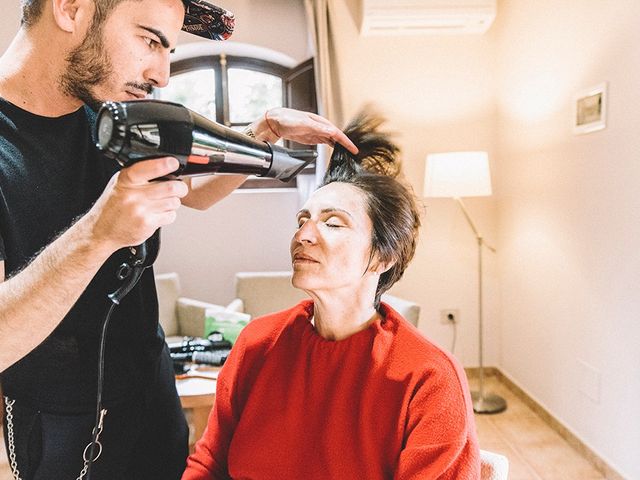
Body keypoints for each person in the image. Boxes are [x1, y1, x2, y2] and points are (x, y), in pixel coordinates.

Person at [0, 0, 357, 478]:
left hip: (152, 389)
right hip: (57, 422)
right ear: (70, 8)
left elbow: (194, 191)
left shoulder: (115, 109)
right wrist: (96, 237)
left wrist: (263, 132)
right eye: (149, 40)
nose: (162, 75)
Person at [182, 109, 481, 479]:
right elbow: (208, 462)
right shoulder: (257, 343)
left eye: (333, 222)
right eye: (302, 219)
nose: (303, 235)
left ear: (382, 257)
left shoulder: (428, 378)